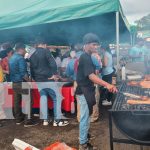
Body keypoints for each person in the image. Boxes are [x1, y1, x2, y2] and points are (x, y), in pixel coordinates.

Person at [76, 33, 117, 150]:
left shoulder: (89, 56)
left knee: (87, 115)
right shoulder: (84, 56)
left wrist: (97, 57)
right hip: (83, 91)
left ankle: (85, 136)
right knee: (84, 117)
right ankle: (83, 144)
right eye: (94, 45)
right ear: (87, 45)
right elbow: (91, 76)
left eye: (97, 45)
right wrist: (107, 84)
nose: (96, 47)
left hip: (88, 90)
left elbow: (96, 71)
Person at [30, 37, 69, 126]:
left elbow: (31, 69)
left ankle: (45, 120)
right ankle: (57, 121)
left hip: (39, 80)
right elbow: (53, 64)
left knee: (43, 97)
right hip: (48, 79)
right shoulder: (46, 51)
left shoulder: (32, 55)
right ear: (44, 44)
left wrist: (35, 79)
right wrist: (54, 74)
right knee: (57, 98)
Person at [9, 43, 38, 127]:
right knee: (28, 101)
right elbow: (23, 73)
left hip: (14, 83)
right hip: (22, 82)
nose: (25, 51)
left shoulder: (11, 58)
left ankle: (18, 119)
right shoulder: (20, 59)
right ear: (21, 49)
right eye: (24, 49)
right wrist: (29, 81)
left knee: (16, 101)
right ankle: (28, 121)